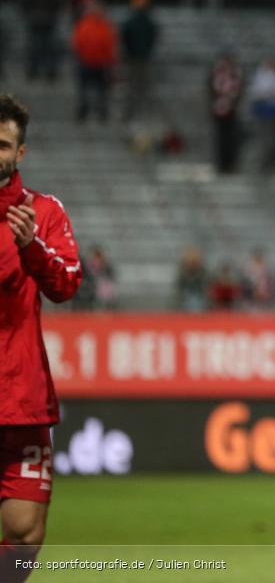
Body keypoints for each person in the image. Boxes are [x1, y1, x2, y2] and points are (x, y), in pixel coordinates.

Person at [0, 95, 82, 582]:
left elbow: (67, 284)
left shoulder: (42, 213)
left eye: (2, 144)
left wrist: (31, 246)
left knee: (25, 533)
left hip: (21, 399)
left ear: (20, 153)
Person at [71, 0, 117, 122]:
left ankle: (102, 112)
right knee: (84, 90)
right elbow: (77, 43)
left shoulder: (105, 26)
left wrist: (109, 61)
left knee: (102, 91)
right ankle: (83, 112)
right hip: (86, 63)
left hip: (100, 64)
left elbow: (110, 45)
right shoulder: (84, 25)